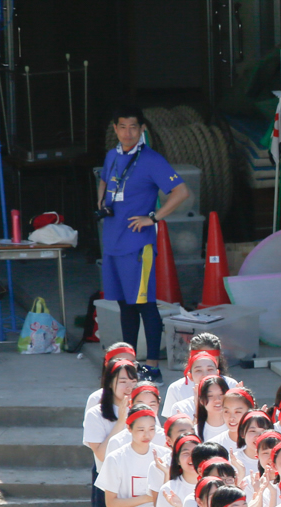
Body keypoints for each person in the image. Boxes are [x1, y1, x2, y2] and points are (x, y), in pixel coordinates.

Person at [97, 105, 192, 371]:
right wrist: (101, 200)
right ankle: (129, 362)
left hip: (137, 244)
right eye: (122, 127)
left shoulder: (151, 159)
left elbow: (181, 191)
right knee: (124, 305)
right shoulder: (112, 156)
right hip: (113, 241)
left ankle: (152, 366)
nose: (128, 133)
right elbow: (104, 180)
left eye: (133, 127)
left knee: (144, 304)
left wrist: (154, 217)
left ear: (142, 130)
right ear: (115, 129)